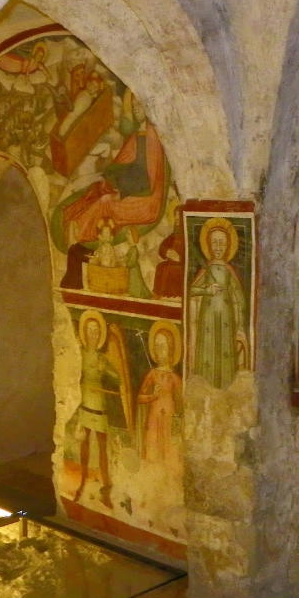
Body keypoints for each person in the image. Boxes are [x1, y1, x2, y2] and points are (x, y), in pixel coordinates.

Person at [188, 217, 247, 389]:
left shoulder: (229, 270)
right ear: (209, 245)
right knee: (209, 350)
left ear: (228, 245)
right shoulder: (206, 269)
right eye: (215, 243)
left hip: (227, 319)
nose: (218, 247)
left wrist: (240, 326)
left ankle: (225, 388)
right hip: (207, 318)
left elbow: (239, 298)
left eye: (222, 243)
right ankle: (206, 386)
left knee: (225, 351)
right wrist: (207, 290)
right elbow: (191, 290)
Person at [73, 311, 125, 507]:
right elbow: (72, 375)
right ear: (85, 333)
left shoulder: (102, 359)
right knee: (84, 444)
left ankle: (106, 489)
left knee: (103, 447)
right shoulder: (80, 355)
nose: (93, 335)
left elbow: (118, 379)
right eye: (90, 331)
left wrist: (106, 371)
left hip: (99, 405)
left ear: (100, 335)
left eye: (96, 331)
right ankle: (82, 481)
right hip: (85, 403)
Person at [136, 320, 182, 464]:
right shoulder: (152, 374)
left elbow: (181, 404)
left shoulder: (175, 378)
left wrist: (178, 426)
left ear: (170, 348)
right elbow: (139, 398)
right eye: (156, 346)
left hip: (169, 422)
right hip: (153, 421)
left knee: (169, 455)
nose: (159, 350)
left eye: (163, 346)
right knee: (153, 455)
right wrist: (153, 396)